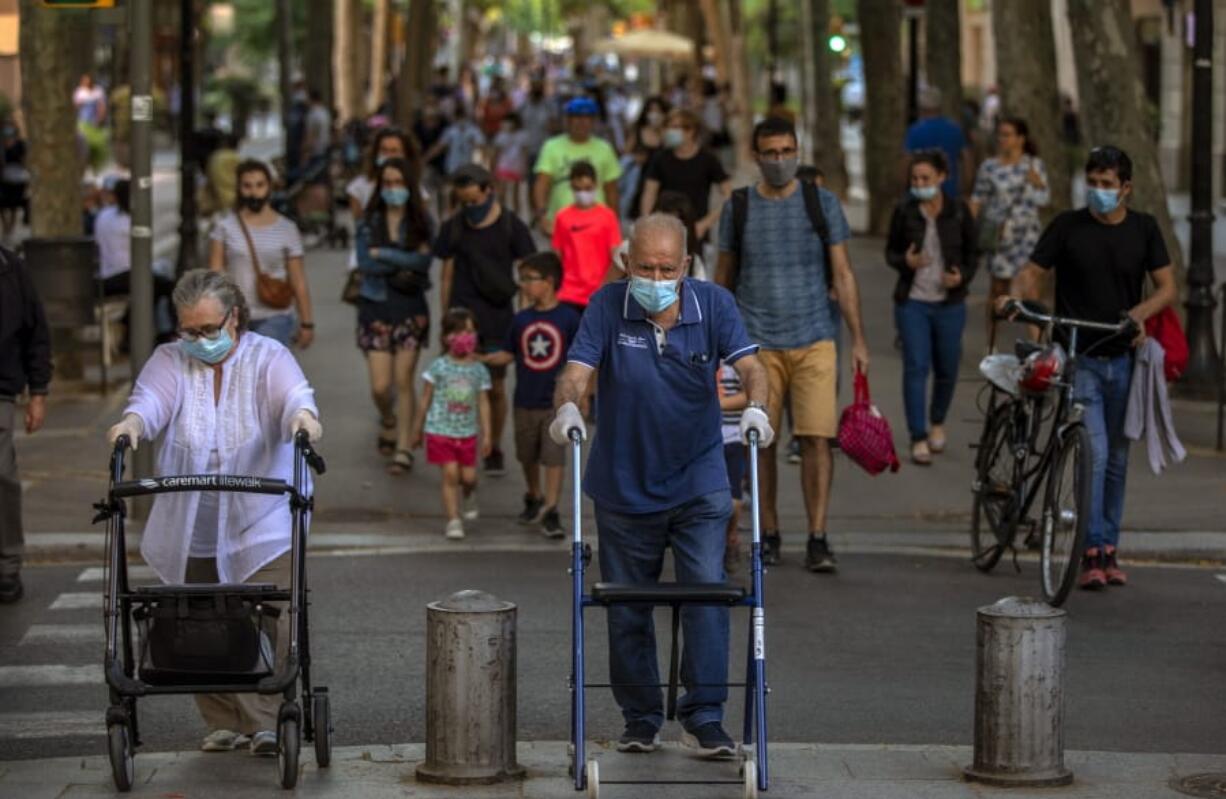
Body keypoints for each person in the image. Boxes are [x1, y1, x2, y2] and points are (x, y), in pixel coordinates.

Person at [548, 213, 770, 758]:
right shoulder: (607, 305)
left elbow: (753, 366)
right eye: (644, 266)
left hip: (698, 480)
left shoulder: (713, 303)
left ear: (685, 266)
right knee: (627, 607)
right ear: (627, 263)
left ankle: (707, 716)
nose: (654, 276)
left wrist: (758, 408)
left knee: (707, 596)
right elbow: (576, 370)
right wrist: (568, 408)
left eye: (665, 268)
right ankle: (641, 717)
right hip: (623, 484)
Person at [105, 269, 323, 755]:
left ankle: (265, 720)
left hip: (261, 516)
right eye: (189, 331)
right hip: (192, 521)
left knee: (272, 615)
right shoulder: (169, 360)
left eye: (209, 329)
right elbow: (151, 401)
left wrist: (302, 418)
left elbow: (292, 395)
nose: (199, 340)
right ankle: (223, 718)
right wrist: (132, 424)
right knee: (198, 622)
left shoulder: (268, 357)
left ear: (235, 318)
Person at [997, 145, 1177, 590]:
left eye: (1107, 185)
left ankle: (1108, 547)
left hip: (1124, 359)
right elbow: (1032, 272)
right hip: (1079, 359)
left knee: (1116, 458)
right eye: (1093, 183)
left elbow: (1167, 286)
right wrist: (1023, 305)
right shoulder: (1066, 226)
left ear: (1126, 189)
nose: (1098, 192)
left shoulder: (1144, 229)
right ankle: (1090, 548)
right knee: (1092, 452)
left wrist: (1140, 313)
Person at [715, 116, 869, 573]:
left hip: (815, 338)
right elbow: (723, 276)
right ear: (756, 156)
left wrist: (859, 338)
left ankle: (818, 535)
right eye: (771, 153)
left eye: (787, 151)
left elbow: (842, 273)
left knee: (818, 438)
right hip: (755, 345)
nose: (780, 161)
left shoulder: (822, 203)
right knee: (760, 440)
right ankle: (770, 532)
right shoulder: (738, 207)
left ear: (797, 151)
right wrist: (718, 342)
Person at [434, 164, 537, 475]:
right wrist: (446, 320)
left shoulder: (511, 226)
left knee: (495, 386)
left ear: (489, 190)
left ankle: (493, 446)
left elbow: (526, 271)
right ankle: (462, 441)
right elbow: (446, 274)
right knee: (459, 385)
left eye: (474, 201)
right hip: (463, 315)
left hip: (497, 316)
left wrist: (525, 316)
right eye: (463, 202)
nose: (470, 209)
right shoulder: (453, 227)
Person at [885, 150, 978, 465]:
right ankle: (918, 436)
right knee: (916, 366)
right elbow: (891, 252)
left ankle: (937, 419)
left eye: (925, 178)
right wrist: (905, 261)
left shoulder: (959, 212)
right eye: (914, 179)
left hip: (950, 303)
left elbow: (973, 254)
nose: (919, 184)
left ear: (942, 177)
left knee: (948, 367)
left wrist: (961, 276)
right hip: (912, 302)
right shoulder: (904, 211)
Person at [482, 252, 581, 538]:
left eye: (529, 279)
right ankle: (533, 494)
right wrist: (482, 358)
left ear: (549, 281)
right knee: (527, 454)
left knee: (553, 456)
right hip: (524, 398)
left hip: (555, 402)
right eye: (522, 279)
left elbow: (581, 359)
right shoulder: (521, 320)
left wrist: (583, 395)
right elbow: (508, 352)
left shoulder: (568, 318)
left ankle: (551, 508)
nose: (524, 285)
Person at [355, 156, 435, 474]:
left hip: (410, 308)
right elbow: (365, 264)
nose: (392, 189)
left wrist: (384, 253)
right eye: (387, 183)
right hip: (374, 305)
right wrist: (404, 259)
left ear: (409, 185)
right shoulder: (368, 221)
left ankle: (403, 448)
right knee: (380, 386)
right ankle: (388, 418)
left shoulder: (422, 221)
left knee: (403, 381)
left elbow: (424, 263)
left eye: (398, 183)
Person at [208, 160, 314, 349]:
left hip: (275, 315)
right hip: (235, 318)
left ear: (269, 187)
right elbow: (215, 274)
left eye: (260, 185)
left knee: (261, 369)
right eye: (247, 186)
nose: (254, 192)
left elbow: (298, 279)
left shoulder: (287, 229)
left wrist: (307, 323)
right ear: (239, 189)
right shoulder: (224, 227)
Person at [410, 307, 493, 540]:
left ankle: (469, 493)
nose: (465, 336)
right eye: (458, 331)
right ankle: (453, 519)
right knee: (450, 475)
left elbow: (484, 402)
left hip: (467, 432)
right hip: (439, 429)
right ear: (446, 336)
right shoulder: (438, 366)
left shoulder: (479, 370)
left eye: (469, 331)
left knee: (468, 477)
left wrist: (488, 435)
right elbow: (425, 398)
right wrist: (417, 430)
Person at [970, 117, 1050, 344]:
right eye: (1000, 134)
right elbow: (978, 199)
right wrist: (967, 229)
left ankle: (1038, 346)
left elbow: (1044, 200)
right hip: (1001, 236)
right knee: (998, 289)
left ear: (1020, 138)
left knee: (1030, 289)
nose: (1002, 139)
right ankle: (992, 342)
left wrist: (1037, 183)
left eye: (1007, 134)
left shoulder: (1034, 165)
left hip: (1028, 235)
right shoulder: (989, 167)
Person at [0, 246, 50, 603]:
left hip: (1, 389)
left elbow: (36, 329)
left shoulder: (11, 268)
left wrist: (39, 390)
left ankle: (6, 566)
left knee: (2, 476)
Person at [638, 108, 731, 243]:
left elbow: (728, 195)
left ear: (690, 131)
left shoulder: (708, 159)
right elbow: (649, 193)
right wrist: (646, 223)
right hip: (664, 231)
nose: (670, 131)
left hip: (696, 233)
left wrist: (705, 223)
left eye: (675, 127)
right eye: (668, 127)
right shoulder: (660, 158)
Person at [531, 97, 621, 236]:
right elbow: (542, 184)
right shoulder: (552, 146)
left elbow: (612, 190)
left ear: (593, 121)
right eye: (577, 118)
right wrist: (542, 216)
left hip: (597, 226)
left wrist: (614, 224)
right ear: (568, 120)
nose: (582, 123)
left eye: (587, 118)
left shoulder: (605, 149)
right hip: (560, 226)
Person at [552, 161, 622, 311]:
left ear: (596, 185)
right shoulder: (562, 217)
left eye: (587, 188)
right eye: (578, 189)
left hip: (599, 292)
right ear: (571, 186)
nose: (583, 193)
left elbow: (615, 255)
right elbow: (557, 255)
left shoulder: (608, 216)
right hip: (568, 293)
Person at [346, 127, 419, 269]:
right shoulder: (358, 188)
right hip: (368, 264)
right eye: (384, 150)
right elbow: (362, 230)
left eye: (394, 151)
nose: (388, 156)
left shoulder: (417, 189)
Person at [904, 86, 971, 200]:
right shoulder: (954, 129)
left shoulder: (914, 131)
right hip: (949, 192)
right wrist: (967, 188)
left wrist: (904, 186)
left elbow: (907, 160)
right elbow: (967, 159)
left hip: (921, 191)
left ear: (921, 108)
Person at [717, 362, 747, 575]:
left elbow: (748, 395)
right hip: (701, 439)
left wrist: (717, 404)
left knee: (733, 501)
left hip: (732, 439)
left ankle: (730, 536)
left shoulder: (734, 365)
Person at [623, 96, 670, 221]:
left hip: (664, 182)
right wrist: (635, 157)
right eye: (651, 111)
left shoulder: (668, 132)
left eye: (658, 111)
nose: (654, 114)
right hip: (640, 181)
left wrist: (661, 131)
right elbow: (625, 154)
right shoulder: (638, 131)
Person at [423, 106, 486, 192]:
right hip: (453, 166)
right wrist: (426, 158)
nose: (461, 120)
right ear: (456, 117)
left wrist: (474, 143)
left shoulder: (473, 131)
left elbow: (481, 145)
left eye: (463, 117)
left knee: (465, 188)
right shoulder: (451, 131)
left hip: (467, 165)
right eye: (459, 117)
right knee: (453, 189)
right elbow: (439, 147)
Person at [492, 112, 531, 214]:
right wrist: (493, 167)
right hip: (503, 166)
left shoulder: (523, 136)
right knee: (501, 193)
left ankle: (515, 215)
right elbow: (496, 153)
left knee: (515, 194)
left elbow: (525, 153)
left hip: (517, 168)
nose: (507, 124)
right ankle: (501, 214)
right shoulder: (501, 135)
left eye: (509, 121)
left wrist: (525, 168)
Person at [0, 120, 28, 241]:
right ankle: (6, 226)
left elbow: (24, 160)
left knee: (14, 204)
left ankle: (10, 228)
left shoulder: (20, 144)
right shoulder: (1, 145)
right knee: (3, 204)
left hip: (17, 178)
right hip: (3, 178)